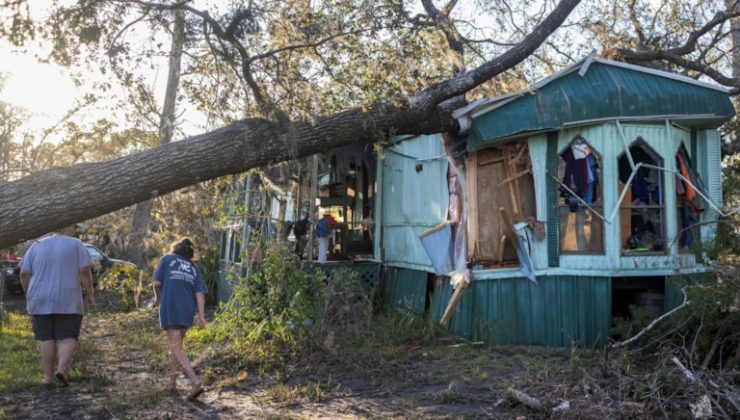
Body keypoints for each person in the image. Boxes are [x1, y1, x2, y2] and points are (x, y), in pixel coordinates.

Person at [19, 227, 95, 388]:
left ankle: (47, 378)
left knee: (47, 338)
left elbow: (24, 273)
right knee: (68, 336)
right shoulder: (75, 244)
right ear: (68, 228)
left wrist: (29, 293)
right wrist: (90, 295)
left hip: (39, 298)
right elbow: (84, 271)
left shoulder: (36, 245)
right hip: (67, 297)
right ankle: (61, 370)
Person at [152, 237, 207, 401]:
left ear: (175, 248)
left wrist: (157, 299)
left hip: (171, 306)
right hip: (187, 310)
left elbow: (156, 283)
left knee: (176, 347)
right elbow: (199, 293)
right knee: (177, 346)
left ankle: (195, 382)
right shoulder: (192, 267)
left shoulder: (167, 259)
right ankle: (172, 383)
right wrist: (201, 316)